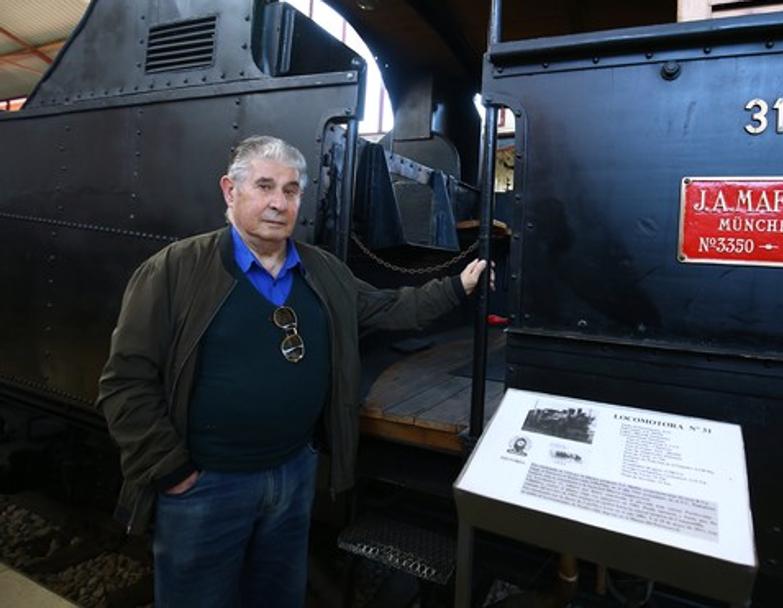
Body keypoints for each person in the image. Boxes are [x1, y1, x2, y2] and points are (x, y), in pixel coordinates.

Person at [95, 135, 492, 607]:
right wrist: (171, 469)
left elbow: (388, 309)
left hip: (292, 474)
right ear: (229, 190)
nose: (278, 203)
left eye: (290, 190)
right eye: (264, 186)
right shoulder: (174, 270)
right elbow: (125, 381)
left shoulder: (323, 271)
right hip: (208, 484)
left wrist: (457, 287)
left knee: (278, 596)